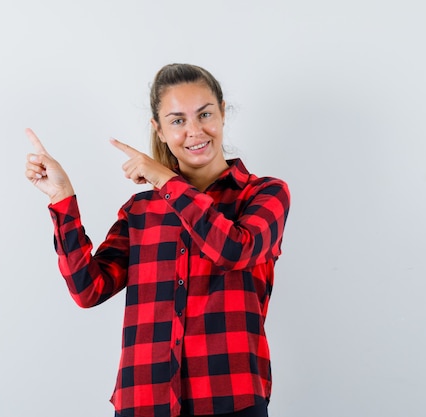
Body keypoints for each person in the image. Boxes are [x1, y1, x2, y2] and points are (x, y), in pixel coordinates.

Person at [24, 63, 290, 417]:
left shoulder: (264, 194)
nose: (195, 131)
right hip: (144, 402)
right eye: (178, 120)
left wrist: (165, 180)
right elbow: (88, 290)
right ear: (159, 130)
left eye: (205, 114)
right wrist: (62, 198)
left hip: (230, 399)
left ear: (223, 113)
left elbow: (233, 250)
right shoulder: (140, 210)